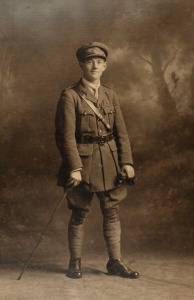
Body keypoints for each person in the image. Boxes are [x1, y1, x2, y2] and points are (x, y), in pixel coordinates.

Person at [55, 42, 139, 279]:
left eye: (99, 61)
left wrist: (127, 162)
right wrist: (74, 167)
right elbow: (65, 136)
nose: (94, 65)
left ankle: (115, 262)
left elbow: (121, 131)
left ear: (105, 66)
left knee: (112, 211)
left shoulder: (110, 94)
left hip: (110, 162)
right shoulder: (69, 96)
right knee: (80, 212)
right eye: (89, 61)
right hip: (83, 164)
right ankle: (75, 262)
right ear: (81, 65)